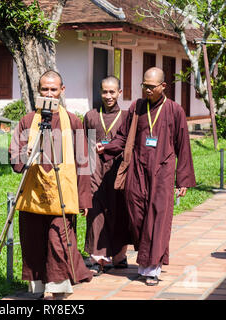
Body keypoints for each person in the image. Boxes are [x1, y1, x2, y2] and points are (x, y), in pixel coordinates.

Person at [96, 67, 196, 286]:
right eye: (144, 86)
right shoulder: (137, 107)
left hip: (162, 172)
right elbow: (123, 137)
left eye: (152, 87)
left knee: (158, 218)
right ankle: (146, 261)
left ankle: (151, 269)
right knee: (138, 216)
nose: (147, 90)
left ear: (163, 86)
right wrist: (107, 148)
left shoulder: (174, 110)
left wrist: (183, 180)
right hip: (137, 171)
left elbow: (183, 147)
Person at [9, 70, 93, 300]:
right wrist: (24, 156)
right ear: (38, 91)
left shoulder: (73, 121)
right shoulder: (28, 120)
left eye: (53, 89)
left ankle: (57, 288)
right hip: (34, 194)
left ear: (62, 91)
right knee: (34, 241)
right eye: (44, 89)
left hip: (63, 194)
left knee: (58, 241)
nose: (49, 94)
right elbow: (13, 155)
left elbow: (84, 161)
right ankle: (38, 286)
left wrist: (84, 198)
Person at [83, 76, 132, 275]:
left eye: (112, 92)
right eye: (105, 91)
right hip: (95, 170)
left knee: (120, 212)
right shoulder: (91, 116)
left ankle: (119, 255)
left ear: (120, 92)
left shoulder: (127, 116)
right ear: (100, 92)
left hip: (118, 171)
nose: (108, 96)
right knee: (95, 212)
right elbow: (83, 147)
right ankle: (97, 257)